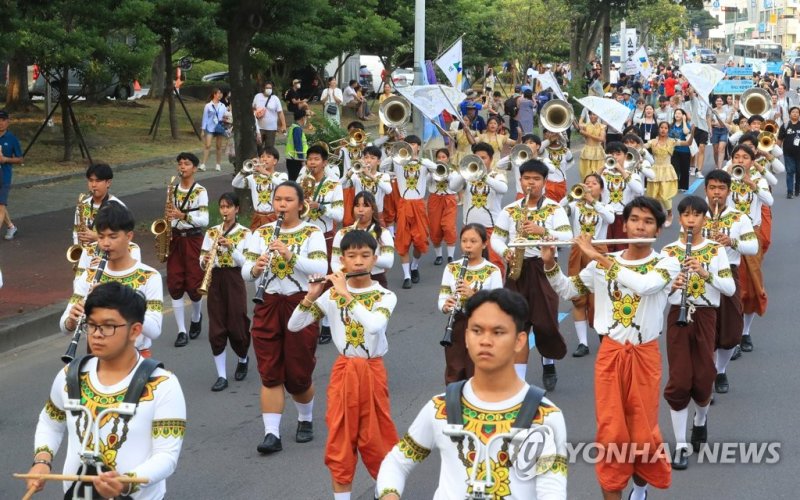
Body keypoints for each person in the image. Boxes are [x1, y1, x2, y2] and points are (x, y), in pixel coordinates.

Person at [376, 288, 568, 500]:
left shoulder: (545, 416)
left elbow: (552, 490)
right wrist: (389, 495)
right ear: (466, 337)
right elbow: (396, 462)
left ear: (519, 341)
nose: (485, 340)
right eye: (477, 331)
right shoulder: (441, 408)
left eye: (498, 332)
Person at [543, 196, 677, 500]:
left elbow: (646, 286)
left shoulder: (666, 263)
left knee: (642, 432)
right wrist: (550, 264)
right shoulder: (603, 265)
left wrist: (598, 257)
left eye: (648, 222)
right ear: (624, 224)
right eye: (634, 220)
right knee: (611, 432)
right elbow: (569, 289)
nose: (640, 227)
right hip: (610, 354)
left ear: (658, 229)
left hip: (644, 356)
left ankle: (640, 489)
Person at [28, 282, 185, 500]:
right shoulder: (69, 375)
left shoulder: (162, 384)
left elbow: (167, 456)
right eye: (92, 325)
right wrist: (42, 460)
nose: (97, 334)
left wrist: (125, 483)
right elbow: (50, 422)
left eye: (108, 326)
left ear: (135, 331)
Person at [289, 230, 399, 500]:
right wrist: (312, 295)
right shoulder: (331, 296)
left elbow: (374, 325)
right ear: (342, 260)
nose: (358, 262)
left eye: (365, 256)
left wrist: (346, 295)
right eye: (352, 256)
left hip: (372, 371)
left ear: (375, 260)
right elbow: (294, 325)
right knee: (340, 438)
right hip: (344, 371)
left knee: (377, 438)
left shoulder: (385, 295)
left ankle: (384, 491)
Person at [242, 181, 328, 454]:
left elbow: (320, 267)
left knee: (298, 373)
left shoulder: (312, 232)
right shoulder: (261, 232)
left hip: (299, 304)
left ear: (300, 204)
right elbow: (245, 271)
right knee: (269, 371)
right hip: (267, 303)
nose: (281, 204)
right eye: (278, 199)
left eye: (288, 200)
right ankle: (272, 433)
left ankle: (305, 418)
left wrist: (290, 255)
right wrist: (256, 269)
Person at [660, 196, 735, 470]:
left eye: (696, 215)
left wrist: (704, 274)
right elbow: (658, 290)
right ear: (680, 219)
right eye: (686, 215)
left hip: (705, 315)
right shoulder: (668, 251)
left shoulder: (716, 251)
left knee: (704, 378)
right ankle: (680, 444)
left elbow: (729, 289)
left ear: (704, 219)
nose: (691, 220)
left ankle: (700, 420)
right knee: (680, 380)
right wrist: (672, 286)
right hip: (677, 316)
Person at [491, 159, 571, 390]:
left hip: (544, 269)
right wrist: (505, 252)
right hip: (517, 269)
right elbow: (496, 238)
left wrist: (541, 230)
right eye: (527, 178)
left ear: (545, 182)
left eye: (536, 179)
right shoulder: (510, 210)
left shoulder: (554, 209)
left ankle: (549, 363)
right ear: (520, 180)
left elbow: (567, 237)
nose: (531, 183)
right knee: (517, 326)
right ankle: (519, 382)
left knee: (546, 323)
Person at [61, 201, 163, 357]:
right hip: (97, 358)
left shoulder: (150, 276)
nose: (105, 244)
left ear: (129, 236)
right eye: (101, 237)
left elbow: (154, 330)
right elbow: (64, 326)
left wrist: (116, 299)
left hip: (135, 358)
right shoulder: (89, 275)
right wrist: (71, 321)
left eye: (113, 237)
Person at [701, 170, 758, 395]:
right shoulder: (695, 215)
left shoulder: (739, 217)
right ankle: (706, 376)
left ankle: (720, 370)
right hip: (700, 274)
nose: (716, 193)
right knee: (704, 331)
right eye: (712, 188)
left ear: (728, 191)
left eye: (721, 188)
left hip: (727, 273)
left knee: (731, 329)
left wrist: (731, 241)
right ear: (705, 190)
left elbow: (753, 247)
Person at [723, 145, 773, 355]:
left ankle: (745, 332)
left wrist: (751, 183)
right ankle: (733, 337)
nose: (740, 160)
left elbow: (769, 200)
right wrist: (727, 175)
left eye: (745, 157)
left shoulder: (759, 180)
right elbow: (713, 202)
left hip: (751, 235)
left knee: (751, 287)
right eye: (736, 157)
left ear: (752, 162)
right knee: (733, 288)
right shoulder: (726, 178)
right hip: (728, 235)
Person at [438, 223, 503, 383]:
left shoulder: (492, 270)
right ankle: (455, 398)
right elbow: (442, 298)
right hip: (458, 323)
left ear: (484, 244)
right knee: (455, 370)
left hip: (483, 326)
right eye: (464, 241)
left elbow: (498, 306)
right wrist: (446, 306)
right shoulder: (452, 268)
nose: (468, 245)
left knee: (477, 371)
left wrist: (473, 295)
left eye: (473, 241)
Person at [200, 192, 252, 392]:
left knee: (237, 323)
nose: (225, 210)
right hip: (215, 279)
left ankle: (243, 358)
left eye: (228, 206)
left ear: (236, 209)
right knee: (217, 326)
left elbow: (247, 262)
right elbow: (202, 257)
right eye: (222, 207)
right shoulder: (212, 232)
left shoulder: (245, 233)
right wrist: (204, 261)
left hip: (234, 278)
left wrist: (231, 248)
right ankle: (221, 375)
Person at [562, 173, 615, 357]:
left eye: (594, 183)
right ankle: (582, 343)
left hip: (598, 251)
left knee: (599, 297)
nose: (589, 186)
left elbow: (611, 219)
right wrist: (572, 193)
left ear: (601, 188)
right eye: (586, 183)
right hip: (578, 251)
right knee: (578, 296)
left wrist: (593, 201)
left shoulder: (605, 207)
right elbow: (559, 208)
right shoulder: (575, 205)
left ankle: (604, 338)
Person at [379, 135, 434, 289]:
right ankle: (407, 276)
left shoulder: (423, 163)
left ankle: (414, 266)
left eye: (413, 144)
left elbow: (437, 169)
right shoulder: (399, 161)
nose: (410, 147)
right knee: (403, 240)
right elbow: (382, 166)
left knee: (420, 241)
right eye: (407, 144)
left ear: (419, 146)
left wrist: (419, 160)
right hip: (403, 205)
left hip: (419, 205)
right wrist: (395, 153)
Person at [167, 152, 209, 348]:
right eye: (180, 163)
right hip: (175, 239)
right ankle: (181, 331)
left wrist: (183, 216)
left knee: (194, 283)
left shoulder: (200, 191)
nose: (182, 166)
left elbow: (205, 220)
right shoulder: (172, 190)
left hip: (193, 239)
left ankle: (196, 316)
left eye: (186, 164)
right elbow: (169, 216)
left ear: (195, 168)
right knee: (175, 283)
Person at [450, 142, 508, 273]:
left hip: (492, 228)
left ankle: (497, 286)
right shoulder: (468, 177)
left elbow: (503, 189)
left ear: (491, 159)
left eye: (483, 158)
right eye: (477, 158)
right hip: (470, 227)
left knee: (495, 262)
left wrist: (483, 176)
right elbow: (453, 187)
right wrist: (464, 171)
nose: (480, 161)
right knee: (471, 262)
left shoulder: (497, 176)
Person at [71, 163, 126, 277]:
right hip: (85, 260)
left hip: (108, 261)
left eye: (98, 181)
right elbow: (76, 233)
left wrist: (96, 237)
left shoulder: (117, 207)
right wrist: (78, 252)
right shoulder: (82, 205)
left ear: (108, 183)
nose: (93, 185)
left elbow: (124, 239)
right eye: (90, 180)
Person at [332, 191, 395, 288]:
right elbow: (335, 262)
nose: (360, 210)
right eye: (357, 206)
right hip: (348, 280)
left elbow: (389, 262)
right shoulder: (341, 233)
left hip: (375, 280)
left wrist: (365, 257)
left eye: (365, 206)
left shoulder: (383, 233)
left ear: (373, 209)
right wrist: (345, 273)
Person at [601, 141, 645, 251]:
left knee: (623, 249)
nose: (615, 157)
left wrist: (621, 170)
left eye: (618, 154)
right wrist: (601, 168)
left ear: (625, 156)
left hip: (623, 217)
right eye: (611, 154)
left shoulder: (632, 175)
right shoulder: (602, 174)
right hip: (605, 217)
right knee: (604, 249)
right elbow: (589, 187)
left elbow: (639, 190)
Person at [232, 146, 289, 230]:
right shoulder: (253, 177)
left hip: (274, 216)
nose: (264, 159)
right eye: (262, 157)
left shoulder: (281, 176)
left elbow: (284, 185)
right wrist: (244, 170)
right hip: (257, 217)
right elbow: (235, 183)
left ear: (275, 161)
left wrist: (265, 172)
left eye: (268, 157)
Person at [646, 122, 686, 227]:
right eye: (661, 127)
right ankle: (656, 217)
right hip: (655, 170)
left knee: (665, 196)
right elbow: (643, 147)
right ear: (658, 129)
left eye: (665, 128)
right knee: (653, 196)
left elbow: (687, 143)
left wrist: (692, 133)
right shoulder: (653, 141)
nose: (663, 130)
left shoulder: (672, 141)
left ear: (668, 130)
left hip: (667, 171)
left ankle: (670, 214)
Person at [343, 145, 392, 226]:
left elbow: (388, 190)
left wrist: (369, 175)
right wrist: (351, 171)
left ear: (378, 162)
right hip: (360, 214)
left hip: (377, 215)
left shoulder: (384, 176)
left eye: (372, 158)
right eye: (366, 157)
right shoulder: (357, 176)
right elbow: (342, 185)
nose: (368, 160)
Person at [427, 148, 459, 265]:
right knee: (435, 228)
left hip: (449, 199)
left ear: (448, 158)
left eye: (443, 157)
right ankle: (439, 256)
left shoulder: (453, 172)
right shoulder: (432, 171)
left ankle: (450, 256)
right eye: (439, 157)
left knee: (449, 227)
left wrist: (446, 174)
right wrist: (431, 172)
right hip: (435, 199)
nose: (441, 159)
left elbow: (455, 185)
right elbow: (426, 182)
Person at [0, 109, 23, 240]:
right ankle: (10, 226)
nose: (0, 123)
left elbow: (20, 159)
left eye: (3, 120)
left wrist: (6, 159)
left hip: (4, 176)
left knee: (1, 205)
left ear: (8, 122)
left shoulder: (12, 139)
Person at [252, 80, 287, 149]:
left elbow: (280, 112)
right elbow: (253, 108)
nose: (269, 89)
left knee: (269, 148)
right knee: (258, 147)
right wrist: (256, 113)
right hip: (259, 128)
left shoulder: (275, 99)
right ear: (263, 88)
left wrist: (284, 125)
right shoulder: (257, 96)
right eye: (267, 88)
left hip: (271, 128)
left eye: (270, 88)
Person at [200, 88, 227, 172]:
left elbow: (226, 116)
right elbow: (205, 117)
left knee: (218, 146)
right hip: (210, 127)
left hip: (219, 127)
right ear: (214, 94)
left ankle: (218, 164)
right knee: (207, 145)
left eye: (221, 93)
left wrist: (225, 120)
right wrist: (203, 129)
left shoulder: (222, 106)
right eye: (218, 93)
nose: (220, 95)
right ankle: (203, 164)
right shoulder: (208, 105)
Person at [777, 105, 800, 198]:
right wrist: (776, 151)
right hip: (788, 153)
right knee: (790, 172)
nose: (795, 114)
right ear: (790, 114)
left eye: (797, 112)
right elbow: (780, 139)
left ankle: (797, 189)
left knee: (799, 172)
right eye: (793, 112)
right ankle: (790, 192)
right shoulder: (785, 125)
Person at [669, 109, 693, 191]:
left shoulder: (686, 125)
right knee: (674, 168)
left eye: (679, 113)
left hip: (684, 150)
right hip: (674, 150)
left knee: (684, 169)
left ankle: (683, 186)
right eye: (676, 113)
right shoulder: (671, 125)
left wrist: (684, 121)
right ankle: (676, 185)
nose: (677, 115)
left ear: (683, 115)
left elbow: (686, 132)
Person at [578, 111, 607, 179]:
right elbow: (585, 137)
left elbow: (602, 139)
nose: (592, 116)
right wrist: (582, 133)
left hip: (598, 152)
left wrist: (587, 134)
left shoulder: (602, 126)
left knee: (598, 174)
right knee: (585, 173)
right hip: (587, 151)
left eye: (594, 114)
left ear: (598, 116)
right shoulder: (585, 126)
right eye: (590, 114)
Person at [285, 109, 310, 181]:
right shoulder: (297, 129)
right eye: (306, 117)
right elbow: (298, 145)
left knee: (292, 179)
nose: (306, 119)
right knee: (296, 180)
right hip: (296, 159)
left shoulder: (292, 127)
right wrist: (302, 160)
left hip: (291, 158)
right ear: (303, 118)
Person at [710, 96, 732, 170]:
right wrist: (715, 123)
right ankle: (717, 165)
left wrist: (731, 115)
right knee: (716, 150)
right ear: (715, 102)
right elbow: (709, 122)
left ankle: (720, 168)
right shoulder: (712, 110)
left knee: (721, 148)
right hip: (715, 130)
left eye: (720, 101)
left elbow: (728, 121)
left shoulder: (726, 111)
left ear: (722, 102)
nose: (719, 102)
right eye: (717, 101)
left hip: (724, 130)